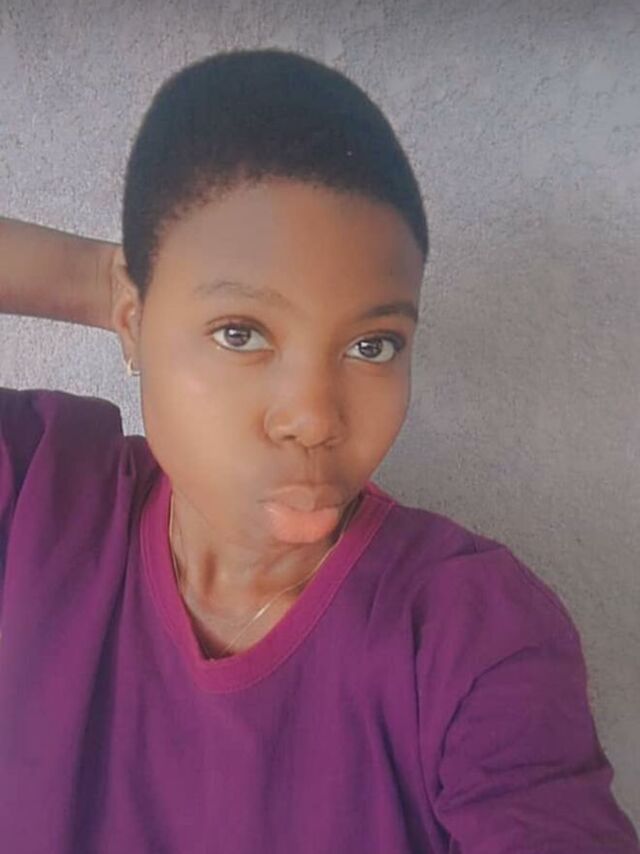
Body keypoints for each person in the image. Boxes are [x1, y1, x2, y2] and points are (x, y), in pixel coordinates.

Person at [0, 48, 637, 854]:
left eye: (374, 345)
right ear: (133, 320)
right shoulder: (40, 493)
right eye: (241, 332)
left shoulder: (471, 634)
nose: (313, 418)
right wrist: (102, 280)